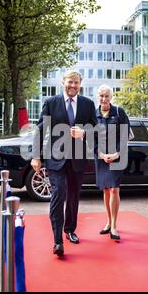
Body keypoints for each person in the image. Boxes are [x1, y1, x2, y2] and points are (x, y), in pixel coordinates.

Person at [31, 70, 97, 256]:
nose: (73, 86)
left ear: (80, 84)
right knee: (58, 194)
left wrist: (84, 133)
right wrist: (36, 156)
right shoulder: (51, 103)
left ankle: (70, 230)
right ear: (63, 82)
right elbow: (40, 130)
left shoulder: (88, 104)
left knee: (74, 197)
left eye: (76, 83)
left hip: (78, 160)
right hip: (55, 159)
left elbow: (96, 130)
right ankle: (57, 239)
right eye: (70, 82)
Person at [95, 85, 130, 240]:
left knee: (114, 189)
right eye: (101, 96)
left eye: (107, 96)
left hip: (117, 155)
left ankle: (114, 226)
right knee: (106, 190)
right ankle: (108, 222)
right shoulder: (93, 114)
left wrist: (117, 154)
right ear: (98, 97)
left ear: (111, 97)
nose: (104, 99)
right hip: (101, 156)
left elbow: (125, 135)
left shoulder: (119, 112)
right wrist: (101, 154)